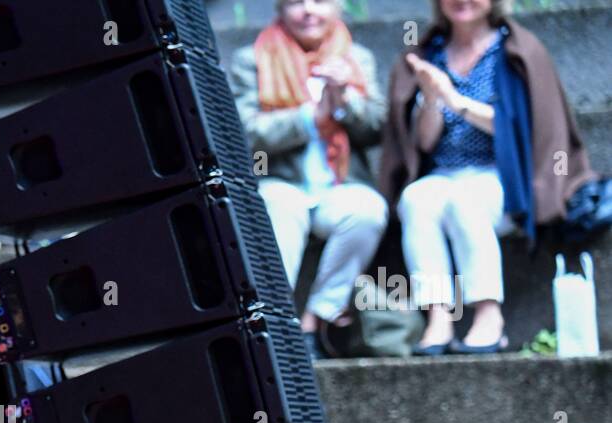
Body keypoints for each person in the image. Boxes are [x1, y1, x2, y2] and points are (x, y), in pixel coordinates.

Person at [380, 0, 597, 355]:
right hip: (443, 172)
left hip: (501, 175)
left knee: (465, 200)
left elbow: (526, 130)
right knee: (416, 199)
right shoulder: (428, 52)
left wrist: (455, 100)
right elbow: (422, 143)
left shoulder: (516, 50)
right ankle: (438, 317)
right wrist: (432, 99)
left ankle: (488, 316)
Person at [228, 0, 389, 359]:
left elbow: (377, 126)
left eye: (319, 1)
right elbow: (246, 132)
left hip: (340, 185)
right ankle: (272, 321)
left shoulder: (356, 58)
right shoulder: (252, 59)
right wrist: (310, 118)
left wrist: (344, 99)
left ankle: (315, 319)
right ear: (280, 9)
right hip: (281, 182)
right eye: (296, 2)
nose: (308, 11)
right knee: (278, 209)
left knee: (368, 211)